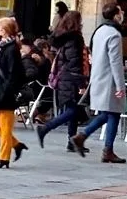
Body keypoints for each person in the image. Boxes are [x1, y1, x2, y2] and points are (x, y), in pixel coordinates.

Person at [70, 2, 127, 164]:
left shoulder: (99, 31)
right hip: (110, 80)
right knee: (114, 113)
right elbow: (115, 61)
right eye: (121, 11)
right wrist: (120, 86)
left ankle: (82, 136)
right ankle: (107, 150)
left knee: (106, 113)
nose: (122, 14)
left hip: (98, 77)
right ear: (116, 15)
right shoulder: (114, 34)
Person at [37, 11, 89, 153]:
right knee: (74, 110)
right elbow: (74, 62)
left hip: (64, 78)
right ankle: (46, 128)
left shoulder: (63, 39)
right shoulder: (75, 39)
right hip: (71, 79)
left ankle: (72, 141)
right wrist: (81, 83)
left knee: (73, 108)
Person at [0, 17, 27, 169]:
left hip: (6, 91)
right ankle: (16, 145)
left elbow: (13, 73)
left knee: (5, 126)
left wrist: (7, 90)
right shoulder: (2, 46)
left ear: (4, 30)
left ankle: (3, 158)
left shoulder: (11, 49)